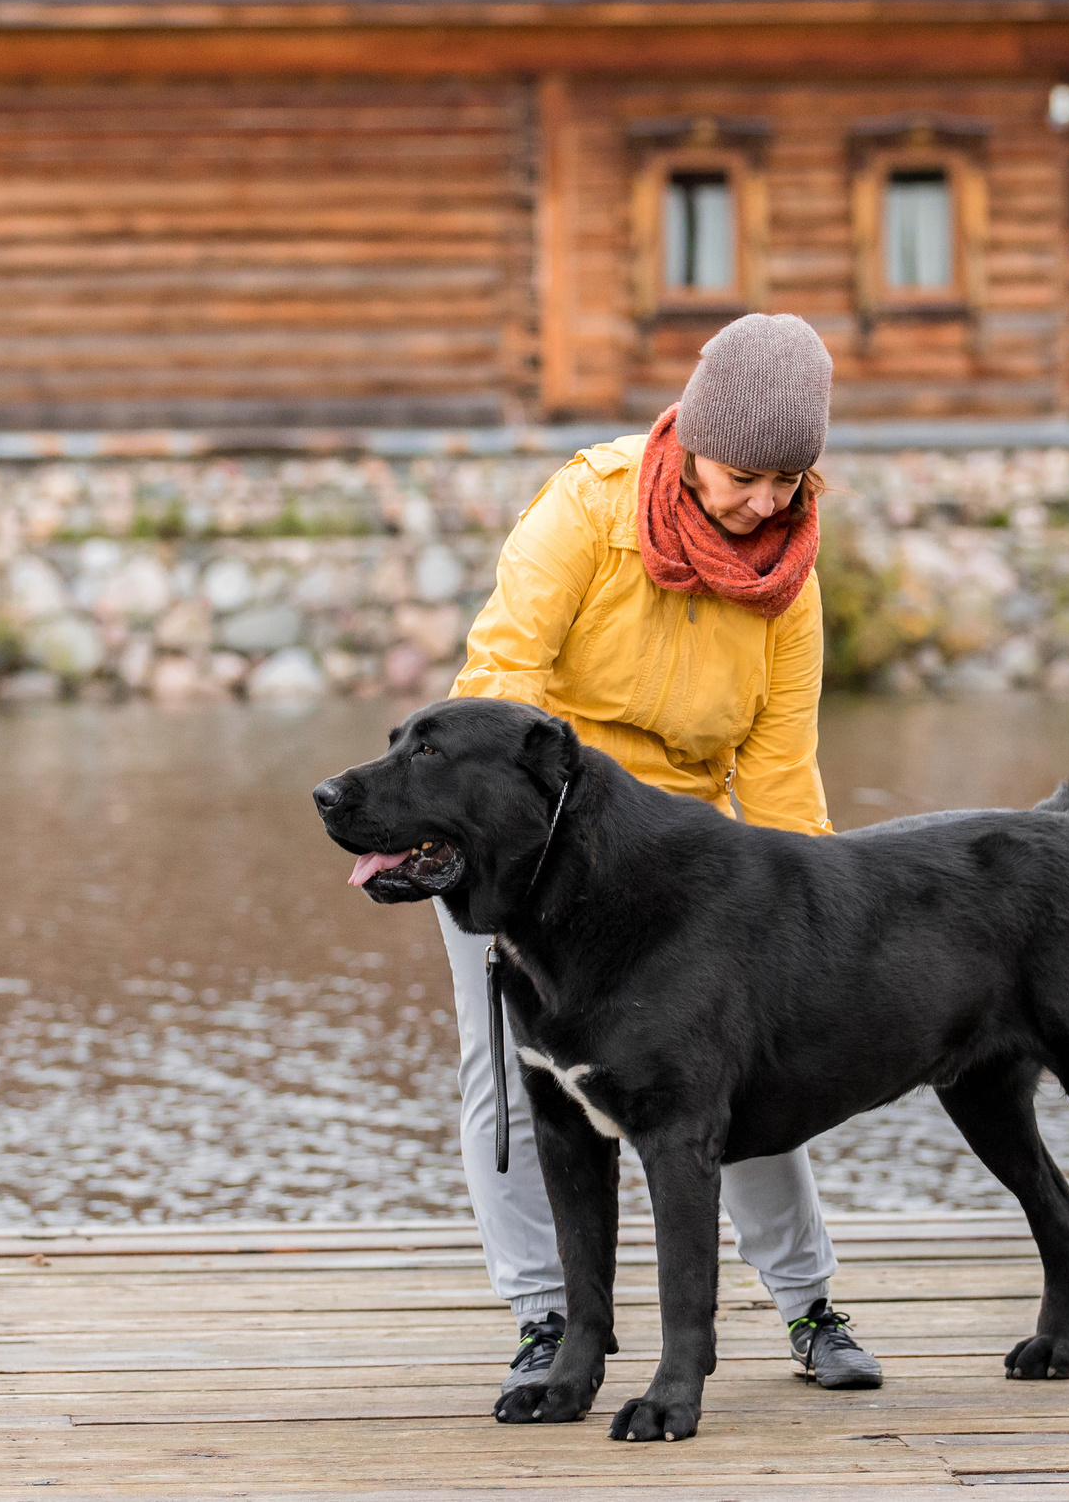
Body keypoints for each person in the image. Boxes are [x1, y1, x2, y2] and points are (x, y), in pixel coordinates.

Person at [441, 311, 882, 1408]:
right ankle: (546, 1316)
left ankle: (806, 1302)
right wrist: (501, 852)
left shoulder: (788, 572)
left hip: (683, 861)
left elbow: (779, 763)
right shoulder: (585, 511)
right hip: (534, 842)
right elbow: (500, 680)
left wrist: (819, 916)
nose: (764, 504)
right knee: (507, 1082)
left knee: (744, 1070)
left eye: (790, 481)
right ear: (689, 444)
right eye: (744, 476)